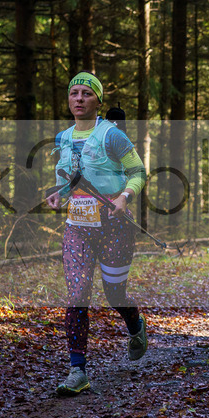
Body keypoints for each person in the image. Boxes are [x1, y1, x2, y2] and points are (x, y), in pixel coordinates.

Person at [45, 71, 148, 396]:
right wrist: (58, 194)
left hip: (115, 224)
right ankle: (78, 371)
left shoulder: (112, 136)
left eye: (85, 94)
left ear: (98, 100)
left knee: (114, 293)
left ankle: (135, 326)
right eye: (73, 93)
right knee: (77, 294)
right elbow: (70, 178)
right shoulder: (63, 137)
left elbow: (138, 172)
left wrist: (124, 196)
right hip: (78, 226)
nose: (78, 99)